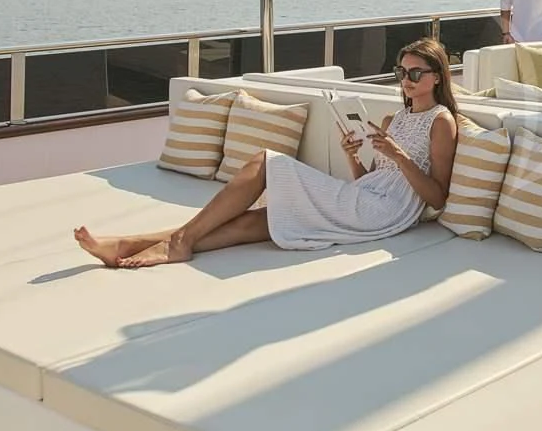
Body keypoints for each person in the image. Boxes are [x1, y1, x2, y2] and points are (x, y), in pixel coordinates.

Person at [74, 38, 459, 268]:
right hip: (361, 199)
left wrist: (399, 155)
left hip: (386, 215)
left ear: (437, 77)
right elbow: (370, 182)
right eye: (401, 72)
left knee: (264, 161)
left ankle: (176, 244)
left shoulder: (441, 121)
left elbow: (437, 197)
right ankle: (128, 245)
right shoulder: (394, 118)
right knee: (259, 222)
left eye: (415, 74)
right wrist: (353, 158)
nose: (406, 81)